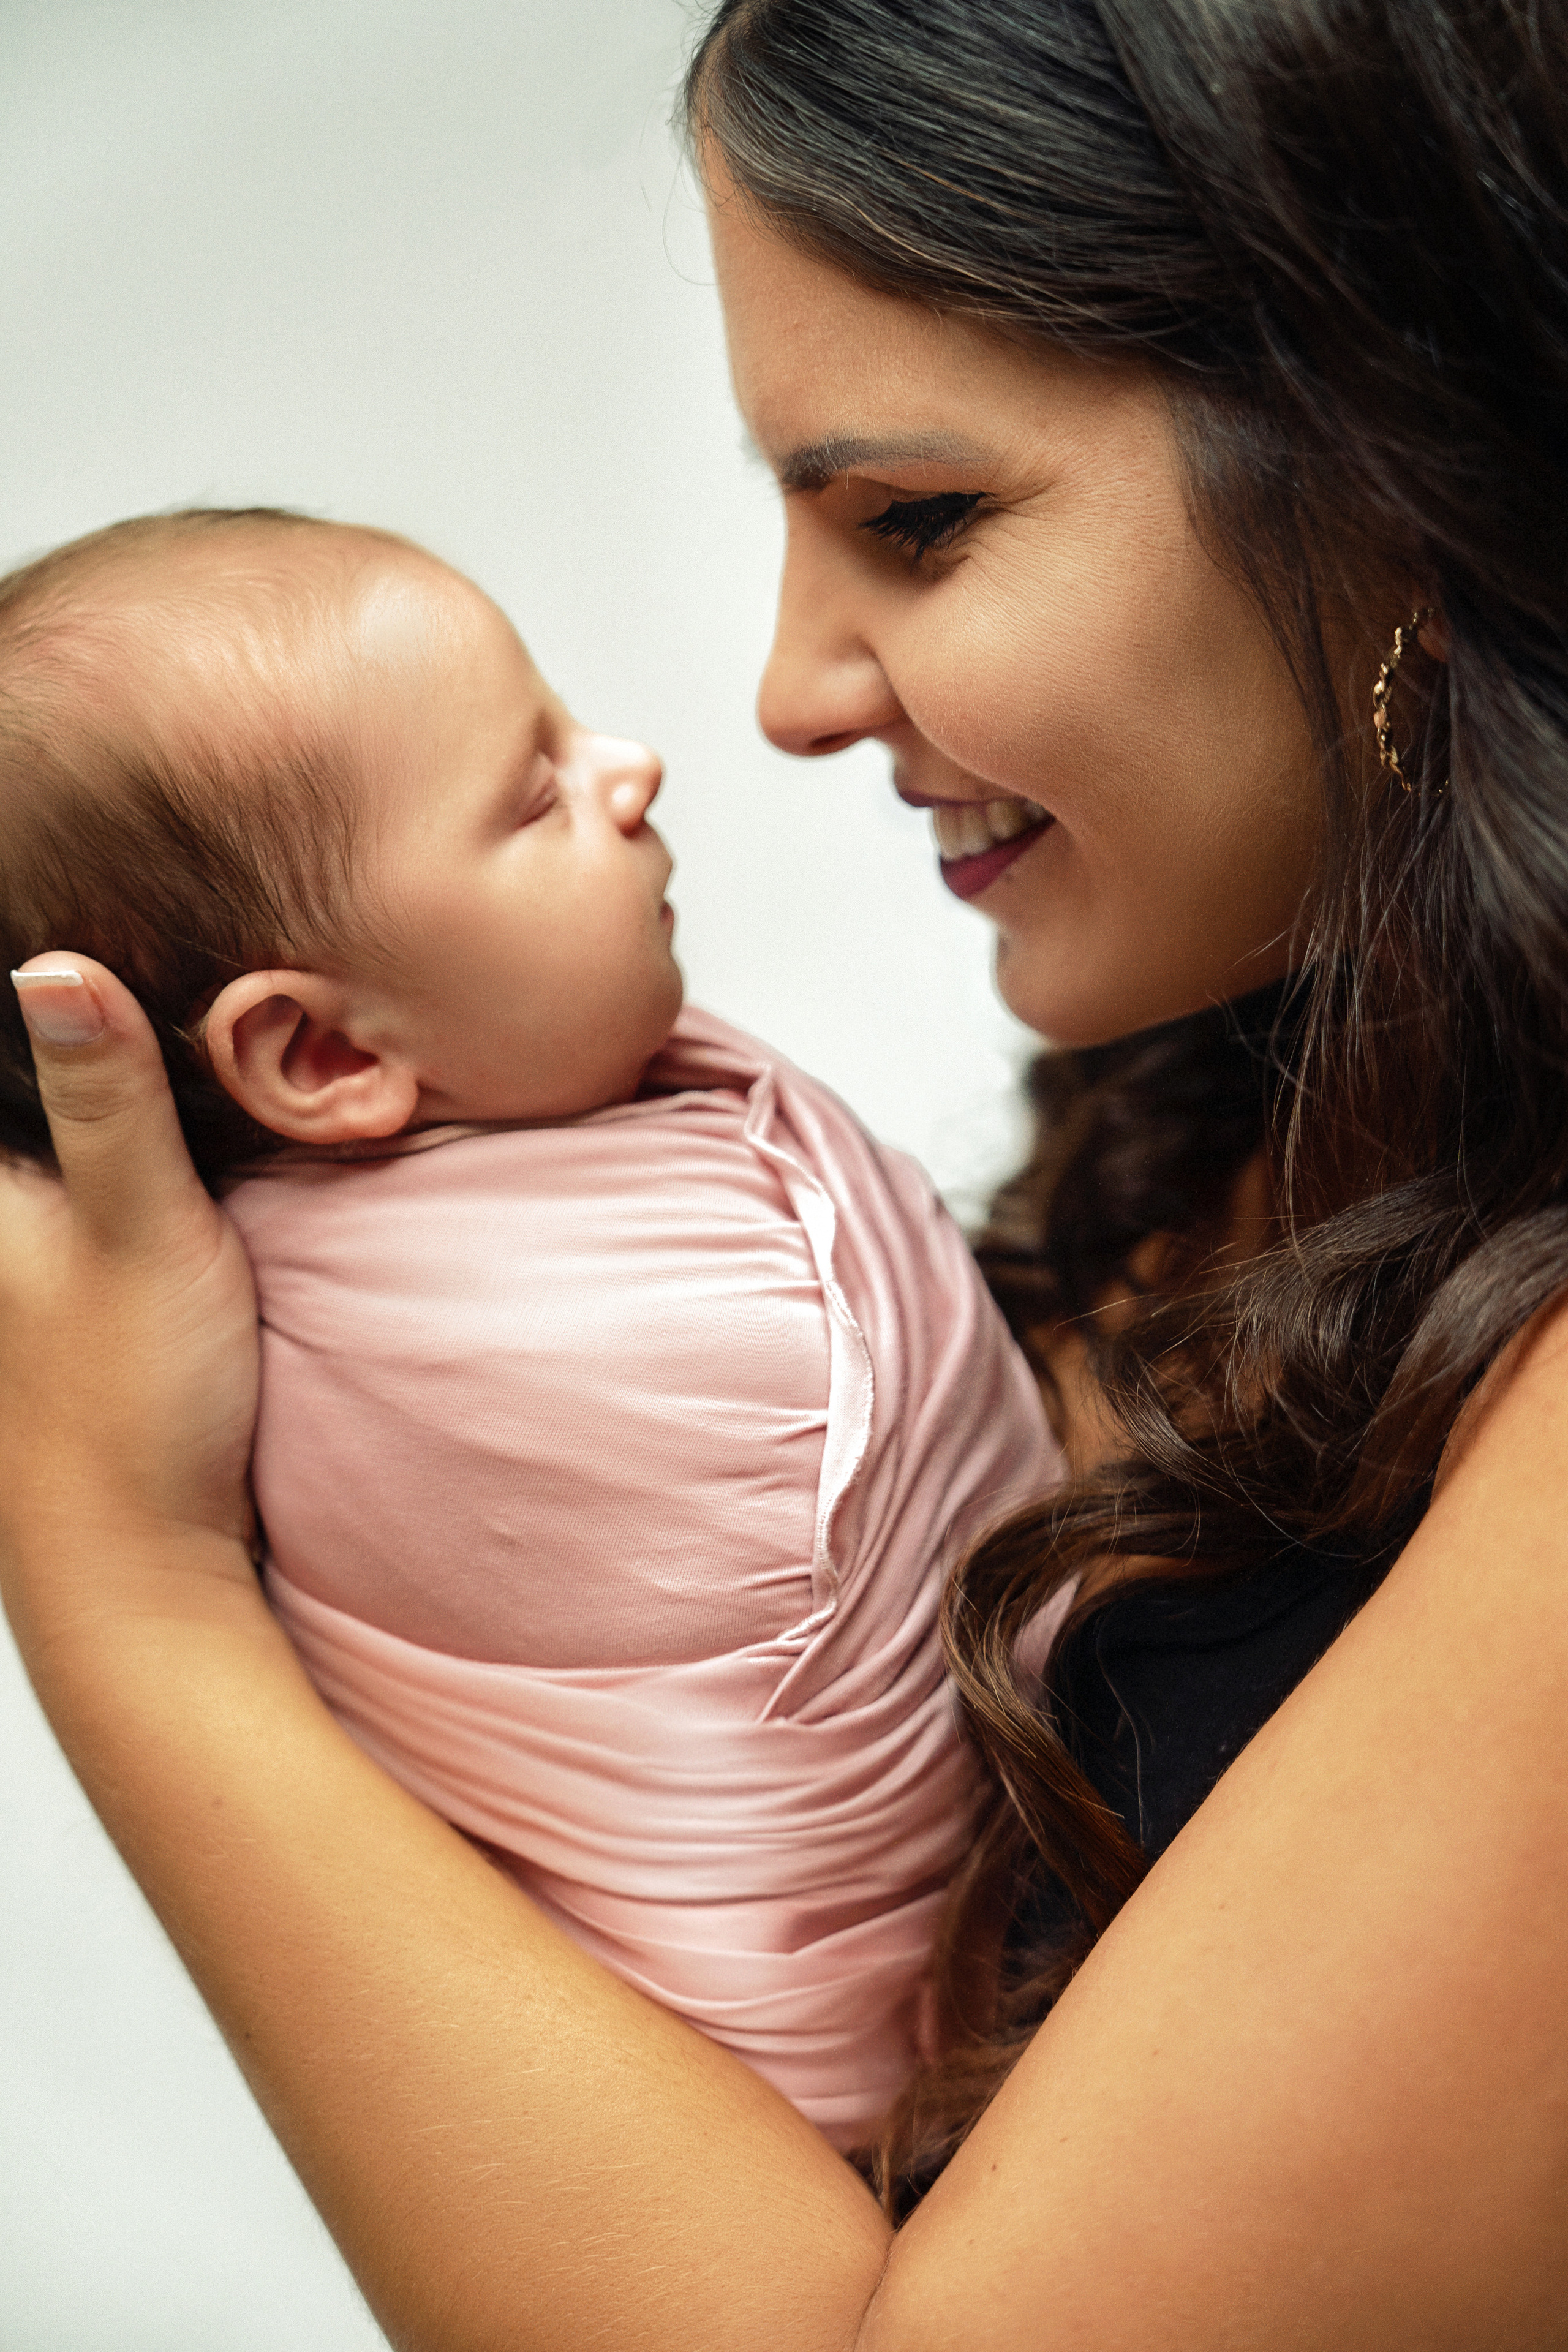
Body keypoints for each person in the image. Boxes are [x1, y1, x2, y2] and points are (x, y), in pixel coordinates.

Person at [2, 0, 1567, 2340]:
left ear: (1393, 460)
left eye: (918, 519)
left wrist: (124, 1592)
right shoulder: (1236, 1110)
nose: (789, 689)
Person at [0, 506, 1058, 2150]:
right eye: (534, 793)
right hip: (841, 2097)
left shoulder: (552, 1119)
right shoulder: (446, 1359)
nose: (630, 768)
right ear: (328, 1060)